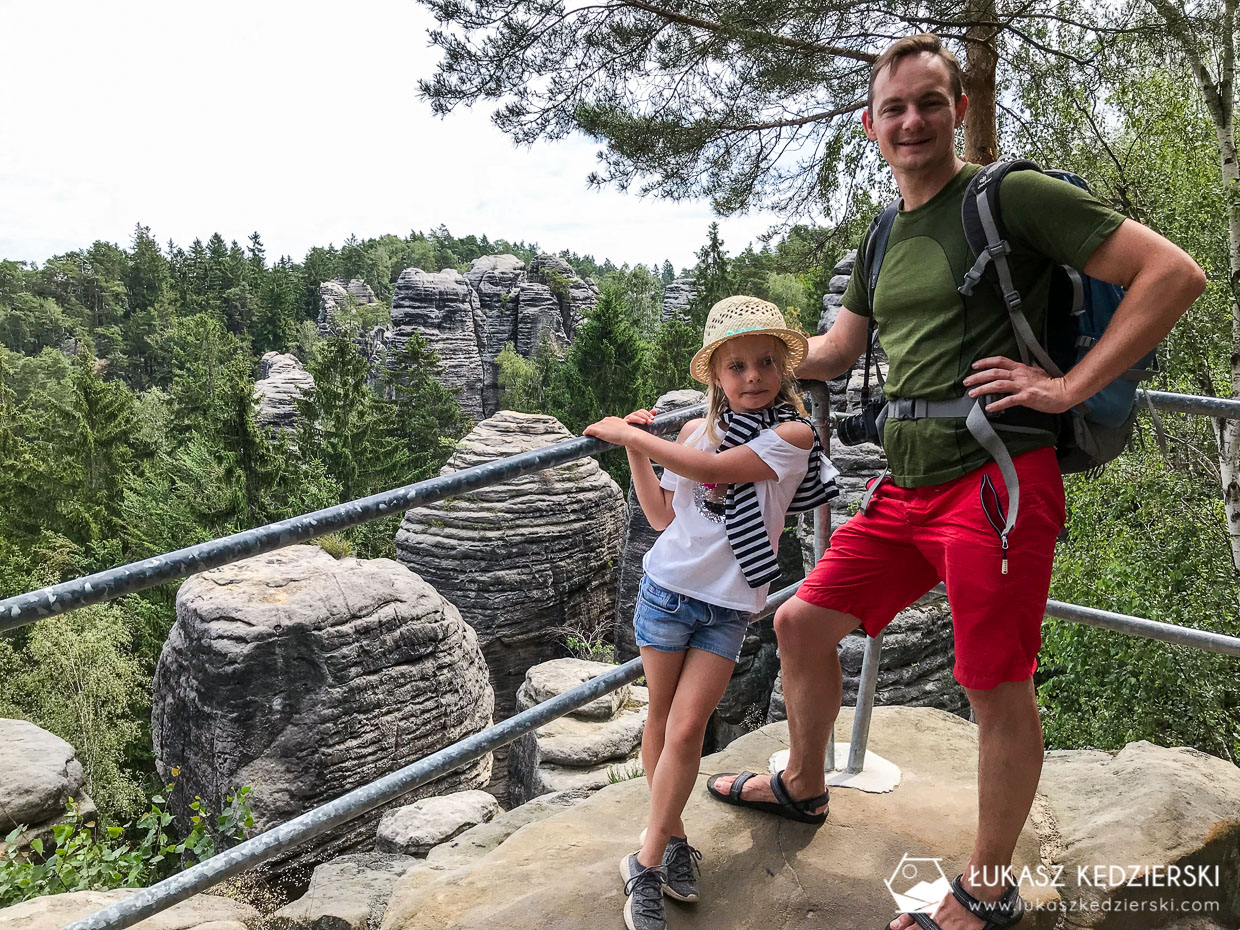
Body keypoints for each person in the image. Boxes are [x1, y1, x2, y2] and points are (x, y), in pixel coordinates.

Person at [705, 33, 1207, 930]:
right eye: (894, 108)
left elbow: (1172, 273)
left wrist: (1065, 388)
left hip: (1000, 482)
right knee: (800, 621)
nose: (912, 121)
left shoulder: (1007, 197)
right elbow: (839, 351)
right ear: (870, 124)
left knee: (992, 683)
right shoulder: (885, 231)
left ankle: (984, 887)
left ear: (958, 110)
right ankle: (805, 783)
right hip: (906, 489)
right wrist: (752, 364)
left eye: (929, 103)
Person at [584, 295, 837, 930]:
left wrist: (634, 433)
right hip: (666, 592)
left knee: (690, 727)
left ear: (783, 369)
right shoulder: (694, 431)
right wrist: (640, 454)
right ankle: (668, 841)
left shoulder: (793, 435)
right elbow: (665, 518)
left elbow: (719, 470)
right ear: (716, 378)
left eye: (765, 363)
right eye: (737, 367)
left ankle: (641, 864)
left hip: (726, 609)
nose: (753, 377)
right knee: (664, 722)